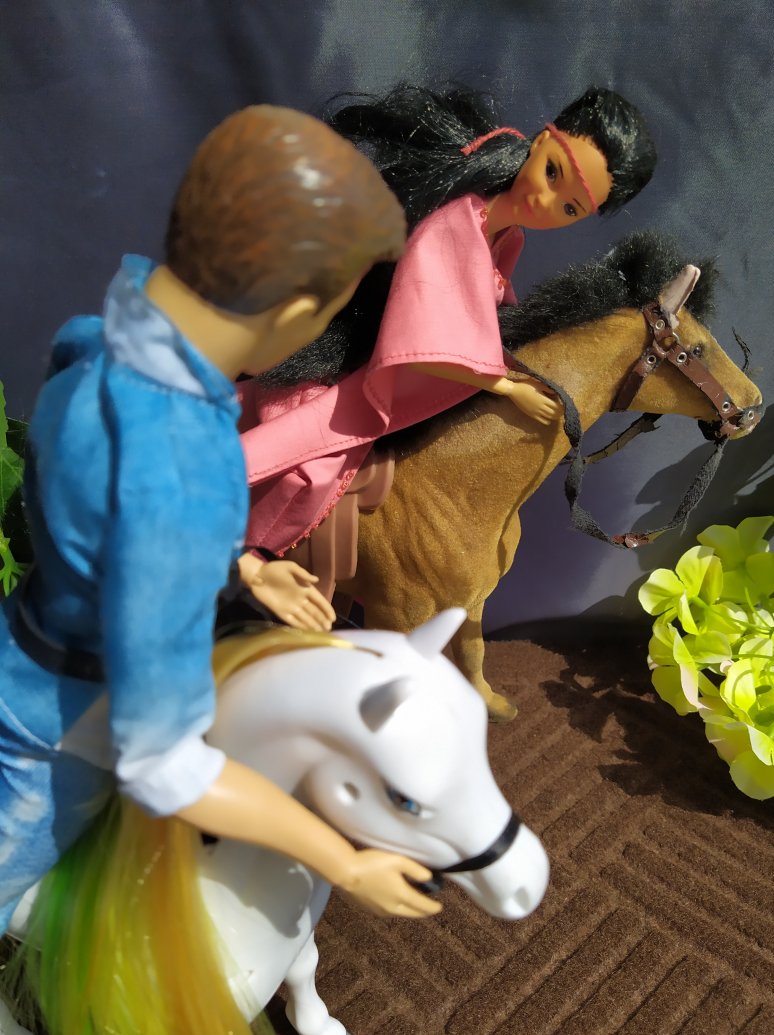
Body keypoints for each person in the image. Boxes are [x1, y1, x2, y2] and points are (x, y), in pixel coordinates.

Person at [0, 104, 442, 940]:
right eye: (330, 313)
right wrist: (342, 859)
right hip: (55, 741)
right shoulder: (184, 474)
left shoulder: (95, 338)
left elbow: (109, 522)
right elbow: (163, 767)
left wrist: (238, 564)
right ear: (298, 311)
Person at [238, 84, 657, 574]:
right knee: (312, 471)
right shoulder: (456, 220)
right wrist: (506, 386)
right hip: (360, 358)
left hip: (389, 360)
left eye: (569, 209)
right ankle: (245, 556)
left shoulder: (506, 236)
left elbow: (488, 312)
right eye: (552, 173)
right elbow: (427, 334)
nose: (545, 201)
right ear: (542, 140)